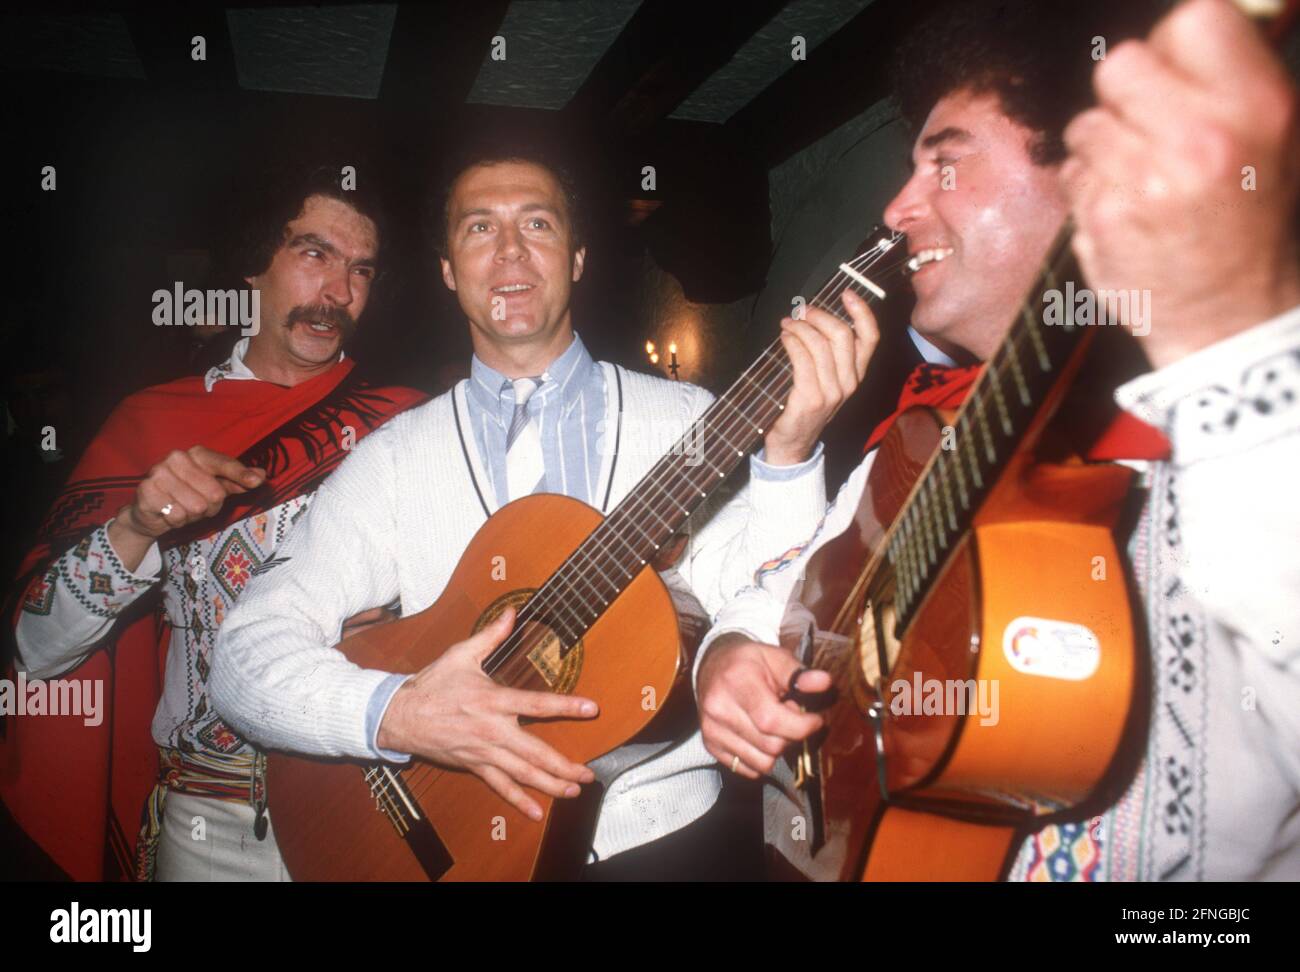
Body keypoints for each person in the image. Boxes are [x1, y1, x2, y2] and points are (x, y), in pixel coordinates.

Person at [694, 0, 1300, 881]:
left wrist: (1230, 336)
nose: (898, 210)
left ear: (1090, 168)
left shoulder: (1255, 402)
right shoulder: (915, 446)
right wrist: (725, 662)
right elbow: (788, 602)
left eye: (945, 164)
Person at [211, 134, 878, 879]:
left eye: (537, 224)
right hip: (451, 851)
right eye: (478, 228)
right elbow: (241, 657)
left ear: (579, 259)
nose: (509, 251)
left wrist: (789, 460)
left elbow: (776, 621)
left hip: (668, 848)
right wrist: (399, 714)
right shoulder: (393, 458)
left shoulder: (693, 424)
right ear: (446, 271)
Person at [3, 163, 427, 880]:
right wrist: (136, 526)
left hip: (372, 808)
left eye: (360, 269)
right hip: (209, 830)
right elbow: (35, 652)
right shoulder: (152, 423)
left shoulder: (409, 422)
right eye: (314, 254)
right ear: (253, 272)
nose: (337, 292)